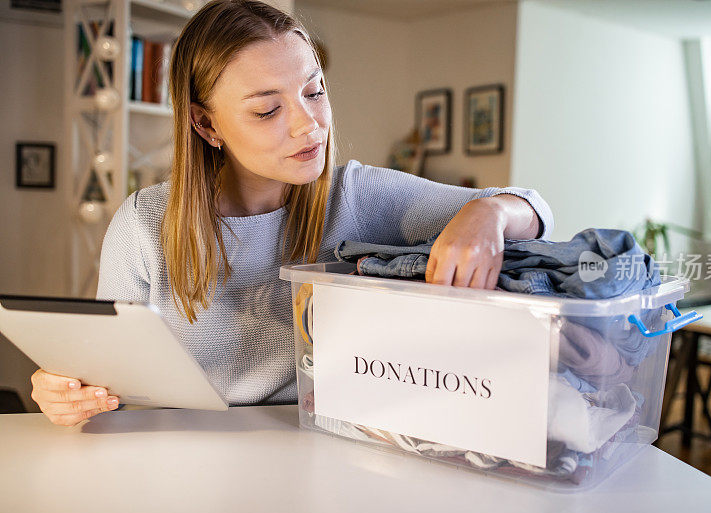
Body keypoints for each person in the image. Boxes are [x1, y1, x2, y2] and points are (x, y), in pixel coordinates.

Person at [30, 0, 554, 426]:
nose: (310, 126)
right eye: (268, 109)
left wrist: (489, 211)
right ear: (206, 125)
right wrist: (68, 394)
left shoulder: (355, 194)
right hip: (180, 462)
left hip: (316, 454)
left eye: (314, 91)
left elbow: (534, 209)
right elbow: (106, 384)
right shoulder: (143, 224)